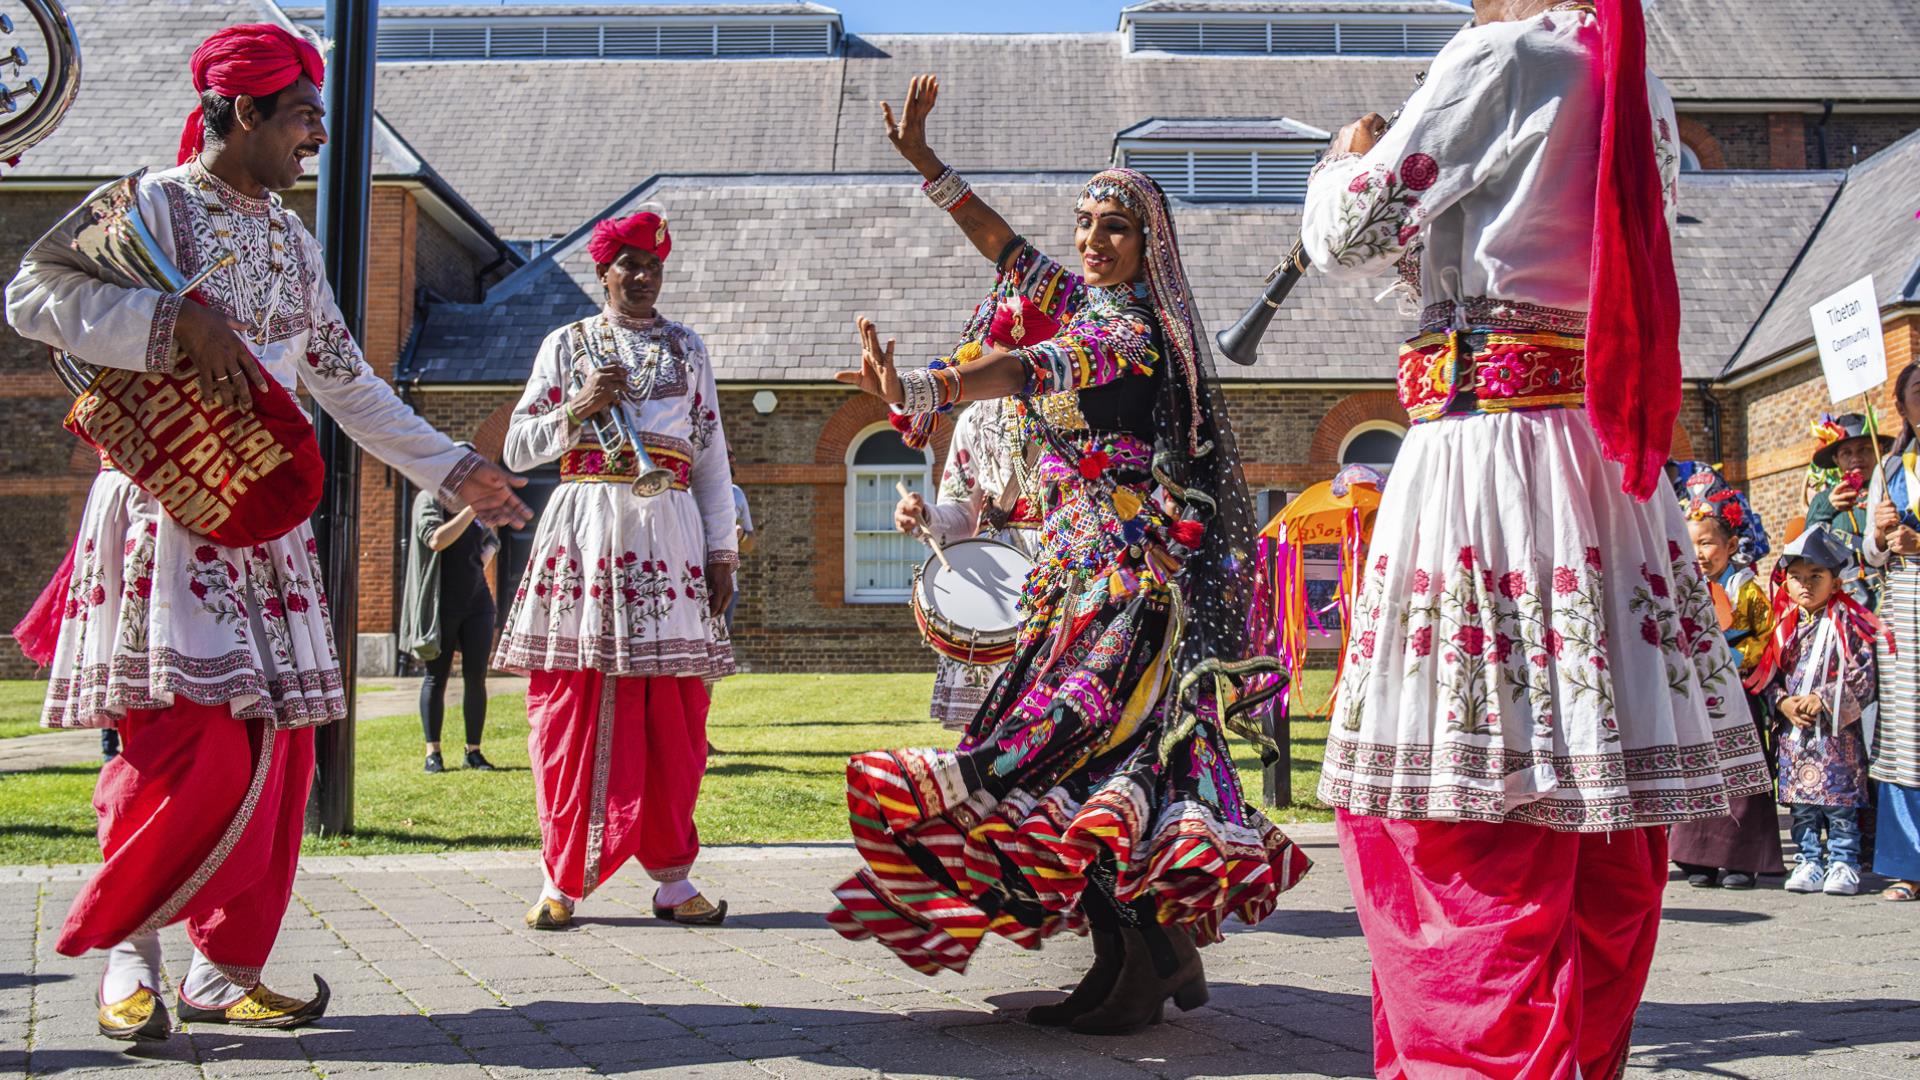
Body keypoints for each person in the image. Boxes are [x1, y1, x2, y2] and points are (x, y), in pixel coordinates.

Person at [2, 24, 531, 1043]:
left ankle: (222, 967)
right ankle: (130, 956)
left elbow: (347, 385)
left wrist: (456, 465)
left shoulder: (290, 240)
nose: (317, 137)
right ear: (242, 112)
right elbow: (33, 295)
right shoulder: (151, 204)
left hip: (263, 527)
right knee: (180, 745)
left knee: (278, 752)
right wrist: (169, 323)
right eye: (300, 116)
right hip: (167, 508)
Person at [1301, 1, 1768, 1075]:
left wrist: (1341, 163)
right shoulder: (1634, 70)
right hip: (1596, 468)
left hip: (1488, 462)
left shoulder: (1504, 55)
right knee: (1595, 812)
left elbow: (1349, 232)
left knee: (1461, 817)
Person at [825, 74, 1309, 1037]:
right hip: (1079, 576)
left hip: (1121, 586)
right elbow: (1003, 248)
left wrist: (929, 385)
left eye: (1113, 228)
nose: (1092, 240)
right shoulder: (1086, 304)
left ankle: (1146, 965)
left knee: (1073, 760)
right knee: (1083, 770)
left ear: (1148, 246)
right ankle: (1142, 960)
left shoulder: (1126, 333)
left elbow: (1025, 367)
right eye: (1085, 223)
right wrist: (927, 161)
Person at [493, 209, 737, 931]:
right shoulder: (565, 345)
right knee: (571, 706)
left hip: (670, 542)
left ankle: (672, 878)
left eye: (653, 266)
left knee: (676, 713)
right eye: (629, 264)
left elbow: (714, 463)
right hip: (587, 534)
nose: (641, 277)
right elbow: (516, 448)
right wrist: (578, 407)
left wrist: (721, 552)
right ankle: (559, 879)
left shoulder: (688, 349)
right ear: (604, 273)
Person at [892, 397, 1041, 730]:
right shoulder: (976, 417)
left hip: (1065, 561)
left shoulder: (1081, 402)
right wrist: (924, 516)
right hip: (996, 576)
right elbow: (961, 514)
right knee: (992, 732)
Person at [1669, 475, 1784, 888]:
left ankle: (1741, 858)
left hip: (1736, 688)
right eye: (1691, 543)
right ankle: (1695, 856)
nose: (1699, 553)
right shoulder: (1678, 588)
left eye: (1707, 543)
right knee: (1697, 770)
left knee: (1741, 774)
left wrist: (1732, 659)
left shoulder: (1745, 589)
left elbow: (1767, 635)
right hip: (1695, 693)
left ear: (1732, 546)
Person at [1752, 527, 1880, 897]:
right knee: (1803, 808)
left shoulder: (1850, 625)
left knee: (1839, 807)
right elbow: (1768, 675)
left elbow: (1864, 673)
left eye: (1815, 577)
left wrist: (1824, 697)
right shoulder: (1784, 628)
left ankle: (1844, 861)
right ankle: (1809, 860)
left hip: (1836, 736)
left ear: (1836, 581)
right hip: (1794, 735)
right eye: (1797, 578)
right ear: (1785, 583)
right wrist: (1782, 702)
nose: (1805, 585)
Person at [401, 455, 501, 773]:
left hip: (478, 603)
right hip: (440, 604)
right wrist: (471, 508)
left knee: (476, 677)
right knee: (436, 677)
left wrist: (481, 559)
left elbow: (490, 542)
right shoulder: (430, 499)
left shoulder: (473, 506)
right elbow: (436, 540)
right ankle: (434, 753)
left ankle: (474, 752)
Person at [1862, 361, 1920, 902]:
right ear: (1902, 407)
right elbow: (1869, 556)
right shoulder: (1891, 469)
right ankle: (1909, 863)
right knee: (1905, 735)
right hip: (1904, 609)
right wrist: (1879, 536)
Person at [1807, 412, 1882, 607]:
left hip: (1890, 589)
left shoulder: (1891, 488)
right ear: (1836, 459)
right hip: (1845, 597)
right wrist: (1827, 507)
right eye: (1846, 453)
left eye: (1864, 450)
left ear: (1878, 450)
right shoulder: (1824, 499)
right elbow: (1810, 548)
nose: (1856, 458)